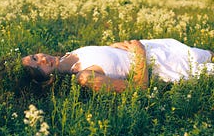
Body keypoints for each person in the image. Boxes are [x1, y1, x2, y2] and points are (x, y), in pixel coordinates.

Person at [21, 38, 214, 93]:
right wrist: (139, 53)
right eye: (39, 68)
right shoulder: (85, 77)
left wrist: (114, 46)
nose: (43, 60)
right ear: (48, 79)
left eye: (35, 58)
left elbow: (105, 54)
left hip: (155, 47)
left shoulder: (68, 55)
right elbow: (140, 87)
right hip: (163, 64)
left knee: (208, 54)